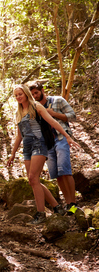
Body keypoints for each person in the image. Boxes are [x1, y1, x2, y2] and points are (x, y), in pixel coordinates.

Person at [6, 84, 80, 224]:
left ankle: (41, 214)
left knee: (34, 177)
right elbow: (19, 136)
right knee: (33, 180)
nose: (18, 97)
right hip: (27, 148)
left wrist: (67, 136)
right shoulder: (19, 112)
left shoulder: (37, 107)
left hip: (39, 145)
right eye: (16, 95)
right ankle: (56, 207)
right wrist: (12, 153)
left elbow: (52, 122)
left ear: (26, 93)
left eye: (20, 94)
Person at [28, 81, 78, 215]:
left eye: (36, 93)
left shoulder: (57, 100)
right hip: (47, 143)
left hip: (61, 138)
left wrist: (53, 113)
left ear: (42, 90)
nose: (35, 96)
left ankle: (73, 203)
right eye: (32, 94)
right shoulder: (34, 107)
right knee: (56, 174)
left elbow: (73, 116)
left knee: (65, 170)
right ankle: (68, 204)